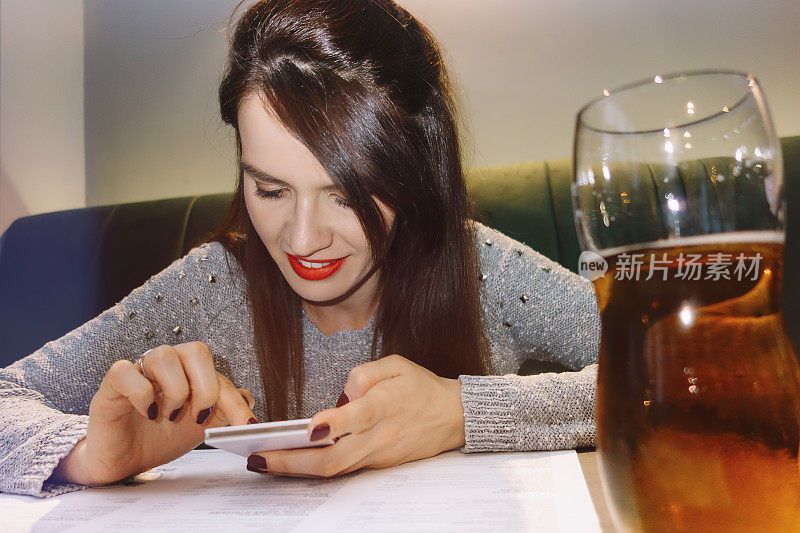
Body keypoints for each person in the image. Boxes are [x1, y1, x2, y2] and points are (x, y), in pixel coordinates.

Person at [0, 0, 599, 498]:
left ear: (414, 176)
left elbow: (676, 366)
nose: (303, 239)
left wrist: (459, 412)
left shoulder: (484, 270)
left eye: (346, 196)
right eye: (270, 189)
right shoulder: (212, 288)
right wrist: (88, 455)